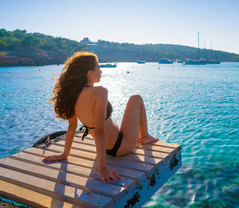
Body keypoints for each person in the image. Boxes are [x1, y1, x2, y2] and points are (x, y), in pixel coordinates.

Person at [42, 51, 158, 184]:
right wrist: (102, 169)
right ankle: (145, 137)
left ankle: (143, 136)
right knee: (136, 98)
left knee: (132, 105)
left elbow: (72, 126)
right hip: (121, 146)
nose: (101, 71)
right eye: (98, 67)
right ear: (90, 73)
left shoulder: (73, 94)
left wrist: (64, 154)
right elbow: (99, 131)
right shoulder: (100, 92)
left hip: (106, 149)